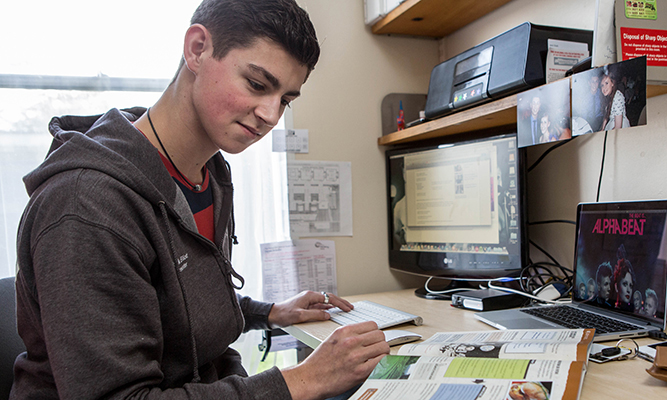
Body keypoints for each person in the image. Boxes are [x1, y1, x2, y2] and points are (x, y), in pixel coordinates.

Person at [11, 1, 390, 399]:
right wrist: (303, 379)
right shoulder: (87, 205)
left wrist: (270, 312)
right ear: (197, 49)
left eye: (285, 99)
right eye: (257, 84)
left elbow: (174, 303)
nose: (270, 115)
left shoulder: (208, 174)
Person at [599, 67, 631, 131]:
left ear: (612, 83)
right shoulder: (607, 96)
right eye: (602, 85)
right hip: (612, 123)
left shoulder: (618, 97)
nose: (604, 88)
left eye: (606, 83)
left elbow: (618, 127)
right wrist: (602, 129)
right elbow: (606, 116)